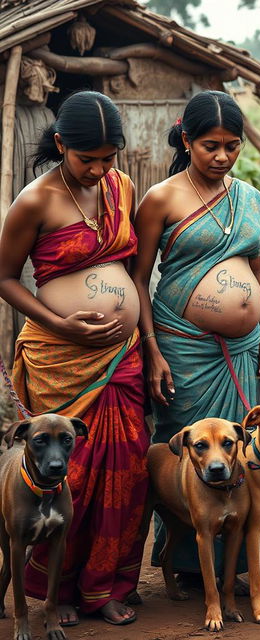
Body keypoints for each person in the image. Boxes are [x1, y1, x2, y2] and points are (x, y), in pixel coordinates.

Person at [0, 91, 148, 626]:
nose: (101, 169)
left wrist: (147, 345)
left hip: (121, 358)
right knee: (70, 475)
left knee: (126, 472)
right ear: (61, 144)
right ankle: (54, 589)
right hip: (59, 362)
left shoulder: (122, 187)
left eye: (109, 158)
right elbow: (4, 278)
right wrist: (56, 321)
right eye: (89, 159)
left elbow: (132, 274)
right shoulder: (36, 201)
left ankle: (104, 587)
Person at [132, 91, 260, 577]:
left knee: (239, 450)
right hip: (181, 346)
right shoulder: (161, 198)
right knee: (184, 448)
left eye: (232, 147)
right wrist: (152, 350)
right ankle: (182, 564)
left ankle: (232, 564)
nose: (222, 157)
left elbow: (258, 270)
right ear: (186, 140)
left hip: (240, 351)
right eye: (210, 146)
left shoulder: (249, 200)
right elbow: (139, 277)